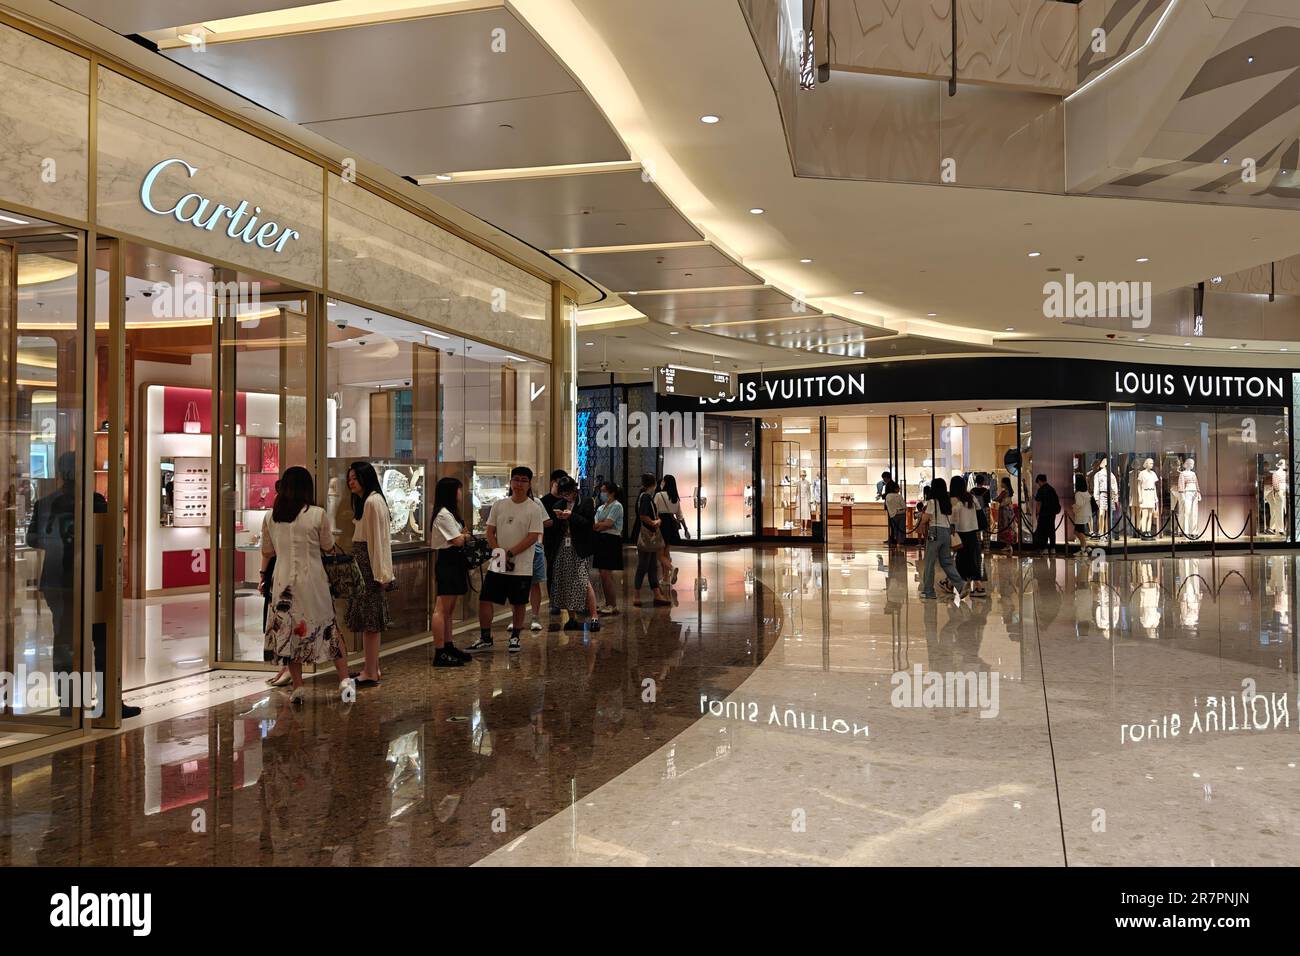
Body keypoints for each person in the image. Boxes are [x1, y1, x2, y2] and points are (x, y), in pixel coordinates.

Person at [27, 452, 142, 719]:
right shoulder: (93, 501)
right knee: (101, 642)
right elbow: (115, 534)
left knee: (65, 642)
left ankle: (69, 704)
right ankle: (107, 702)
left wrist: (57, 541)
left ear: (59, 472)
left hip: (57, 581)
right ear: (82, 473)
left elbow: (33, 538)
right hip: (92, 582)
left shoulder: (45, 503)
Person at [260, 466, 355, 704]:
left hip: (282, 584)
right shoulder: (317, 514)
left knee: (289, 632)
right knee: (329, 628)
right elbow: (327, 545)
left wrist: (262, 576)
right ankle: (344, 681)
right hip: (313, 582)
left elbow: (268, 551)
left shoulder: (271, 517)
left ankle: (298, 687)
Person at [470, 466, 544, 653]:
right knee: (486, 598)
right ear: (510, 482)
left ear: (529, 484)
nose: (519, 484)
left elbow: (533, 536)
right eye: (516, 480)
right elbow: (490, 530)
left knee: (518, 602)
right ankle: (485, 636)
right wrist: (497, 550)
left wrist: (510, 552)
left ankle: (515, 637)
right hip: (498, 562)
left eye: (523, 480)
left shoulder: (533, 508)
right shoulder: (499, 505)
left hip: (521, 565)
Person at [345, 461, 393, 686]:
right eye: (350, 478)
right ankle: (371, 667)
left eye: (354, 477)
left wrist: (381, 574)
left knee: (370, 621)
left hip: (369, 568)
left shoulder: (373, 502)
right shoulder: (368, 501)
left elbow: (378, 542)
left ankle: (371, 670)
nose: (351, 482)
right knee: (368, 620)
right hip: (366, 565)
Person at [428, 476, 472, 667]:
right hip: (448, 560)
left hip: (454, 561)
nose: (461, 493)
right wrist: (464, 535)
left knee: (449, 609)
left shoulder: (450, 514)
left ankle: (448, 645)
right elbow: (458, 539)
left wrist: (463, 535)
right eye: (459, 490)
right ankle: (440, 652)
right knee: (442, 608)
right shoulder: (444, 514)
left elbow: (462, 535)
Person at [550, 475, 601, 630]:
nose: (566, 497)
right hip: (563, 548)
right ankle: (571, 618)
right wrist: (559, 518)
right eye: (563, 494)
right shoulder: (559, 503)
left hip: (579, 547)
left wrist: (571, 516)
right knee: (565, 581)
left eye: (568, 493)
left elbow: (588, 524)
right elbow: (555, 529)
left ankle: (594, 616)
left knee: (582, 580)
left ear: (574, 490)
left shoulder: (585, 502)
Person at [918, 476, 966, 600]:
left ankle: (929, 591)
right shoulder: (947, 502)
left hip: (935, 532)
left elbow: (926, 519)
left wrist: (922, 519)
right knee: (946, 562)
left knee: (929, 562)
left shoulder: (932, 502)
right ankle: (960, 585)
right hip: (946, 533)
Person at [632, 473, 672, 608]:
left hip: (648, 534)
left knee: (651, 566)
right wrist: (655, 522)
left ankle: (657, 594)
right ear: (654, 484)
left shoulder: (643, 496)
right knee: (644, 565)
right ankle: (637, 595)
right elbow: (643, 515)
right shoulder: (646, 497)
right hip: (647, 534)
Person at [950, 475, 987, 597]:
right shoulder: (971, 497)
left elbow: (954, 517)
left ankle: (977, 586)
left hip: (961, 532)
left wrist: (952, 527)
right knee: (968, 558)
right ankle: (963, 584)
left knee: (965, 558)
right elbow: (980, 511)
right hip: (972, 531)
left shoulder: (955, 499)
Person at [593, 481, 625, 614]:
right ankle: (607, 602)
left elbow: (608, 523)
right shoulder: (601, 508)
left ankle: (612, 604)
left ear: (611, 492)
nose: (602, 494)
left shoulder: (617, 506)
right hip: (601, 540)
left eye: (604, 491)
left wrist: (601, 524)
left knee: (607, 574)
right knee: (602, 574)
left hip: (611, 540)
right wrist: (601, 525)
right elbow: (595, 524)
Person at [527, 476, 554, 631]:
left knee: (534, 582)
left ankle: (535, 616)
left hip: (534, 547)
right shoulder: (506, 503)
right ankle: (516, 617)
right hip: (516, 549)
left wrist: (539, 541)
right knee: (516, 584)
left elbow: (546, 521)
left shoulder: (536, 503)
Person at [541, 469, 568, 614]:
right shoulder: (544, 501)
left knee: (566, 570)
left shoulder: (567, 501)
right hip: (550, 540)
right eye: (559, 482)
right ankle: (554, 601)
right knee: (552, 569)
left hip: (566, 540)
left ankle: (566, 599)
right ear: (553, 482)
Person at [654, 474, 685, 584]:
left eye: (663, 481)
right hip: (671, 525)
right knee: (666, 553)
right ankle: (666, 578)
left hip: (661, 524)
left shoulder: (659, 495)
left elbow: (654, 511)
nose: (661, 483)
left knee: (660, 554)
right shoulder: (675, 497)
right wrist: (686, 529)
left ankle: (672, 568)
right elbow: (680, 515)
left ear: (665, 482)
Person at [1033, 474, 1061, 554]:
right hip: (1052, 514)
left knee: (1043, 531)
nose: (1038, 484)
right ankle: (1052, 548)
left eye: (1038, 483)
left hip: (1043, 514)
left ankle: (1044, 548)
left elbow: (1039, 503)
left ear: (1039, 481)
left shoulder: (1041, 490)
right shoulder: (1052, 489)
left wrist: (1037, 514)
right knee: (1051, 530)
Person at [1071, 474, 1092, 553]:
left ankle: (1083, 548)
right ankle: (1086, 547)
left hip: (1081, 515)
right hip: (1086, 514)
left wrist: (1073, 507)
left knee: (1078, 532)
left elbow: (1079, 504)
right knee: (1078, 531)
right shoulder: (1086, 492)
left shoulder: (1078, 494)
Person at [883, 480, 905, 548]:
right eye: (898, 488)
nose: (899, 489)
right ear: (895, 489)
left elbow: (887, 505)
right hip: (901, 514)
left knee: (895, 529)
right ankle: (899, 542)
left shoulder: (888, 496)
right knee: (901, 529)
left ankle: (895, 540)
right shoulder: (899, 496)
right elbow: (904, 506)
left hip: (892, 515)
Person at [877, 471, 893, 544]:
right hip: (890, 505)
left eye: (884, 478)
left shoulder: (889, 485)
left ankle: (891, 538)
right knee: (891, 523)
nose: (883, 480)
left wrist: (881, 496)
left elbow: (888, 495)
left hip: (891, 505)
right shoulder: (890, 484)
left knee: (891, 523)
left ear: (886, 478)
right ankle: (891, 537)